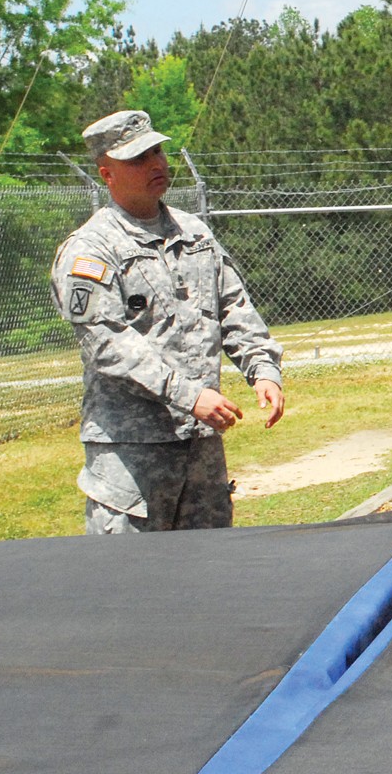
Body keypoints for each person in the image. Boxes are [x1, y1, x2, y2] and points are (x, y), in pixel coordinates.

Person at [50, 110, 286, 534]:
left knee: (207, 579)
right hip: (131, 454)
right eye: (139, 158)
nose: (156, 163)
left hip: (201, 446)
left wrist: (263, 369)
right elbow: (108, 345)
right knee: (128, 586)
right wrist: (188, 395)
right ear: (107, 173)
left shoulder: (194, 233)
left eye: (157, 150)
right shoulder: (90, 250)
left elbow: (233, 307)